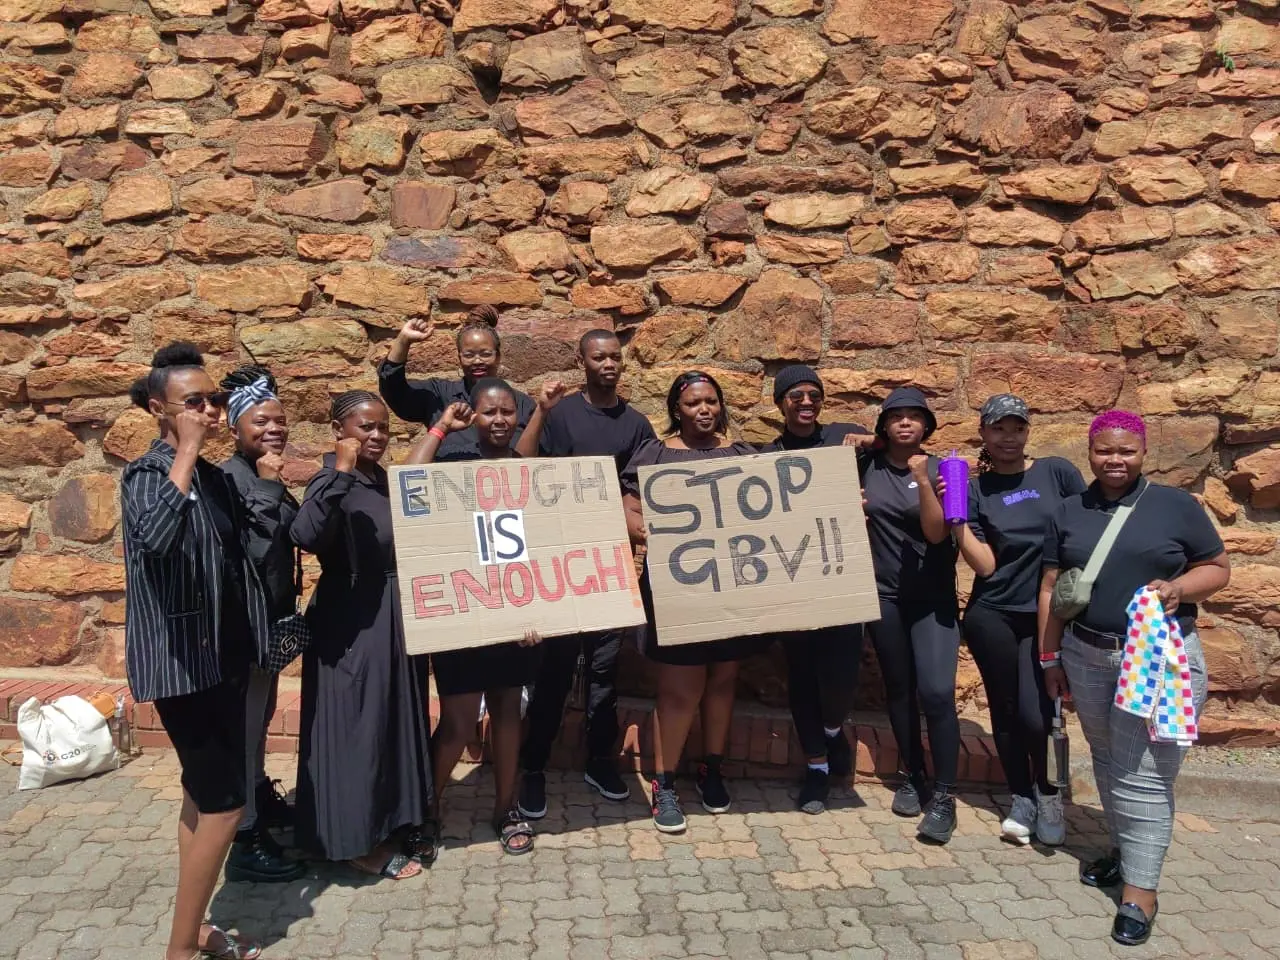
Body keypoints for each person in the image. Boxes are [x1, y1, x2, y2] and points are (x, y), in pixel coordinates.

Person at [1039, 410, 1229, 947]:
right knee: (1106, 758)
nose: (1115, 460)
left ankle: (1140, 893)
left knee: (1143, 774)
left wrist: (1179, 588)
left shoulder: (1175, 506)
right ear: (1090, 451)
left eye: (1126, 451)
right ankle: (1125, 853)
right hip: (1085, 654)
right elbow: (1052, 588)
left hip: (1157, 658)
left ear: (1143, 452)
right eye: (1104, 450)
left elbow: (1218, 567)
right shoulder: (1069, 510)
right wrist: (1050, 659)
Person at [121, 342, 269, 960]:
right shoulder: (146, 474)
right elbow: (155, 539)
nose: (209, 411)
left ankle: (196, 927)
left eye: (214, 400)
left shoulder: (213, 476)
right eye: (195, 403)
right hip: (182, 667)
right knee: (228, 806)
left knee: (200, 797)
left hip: (224, 659)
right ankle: (180, 949)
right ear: (159, 408)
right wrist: (184, 449)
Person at [512, 329, 657, 820]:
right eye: (599, 357)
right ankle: (534, 767)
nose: (608, 364)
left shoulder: (636, 425)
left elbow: (638, 492)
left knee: (603, 673)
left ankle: (600, 761)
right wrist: (541, 411)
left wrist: (635, 525)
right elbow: (522, 465)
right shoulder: (561, 415)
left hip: (609, 565)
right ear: (582, 362)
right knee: (552, 671)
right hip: (558, 562)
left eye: (615, 356)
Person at [290, 390, 435, 879]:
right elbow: (305, 535)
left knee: (389, 718)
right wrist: (341, 471)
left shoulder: (380, 478)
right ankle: (354, 843)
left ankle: (389, 820)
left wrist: (438, 432)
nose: (376, 436)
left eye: (383, 428)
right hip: (351, 615)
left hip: (391, 610)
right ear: (339, 430)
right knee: (357, 725)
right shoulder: (330, 478)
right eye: (365, 427)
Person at [405, 379, 545, 856]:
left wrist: (542, 612)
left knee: (508, 716)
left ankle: (506, 808)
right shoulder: (450, 469)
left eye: (508, 412)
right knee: (459, 721)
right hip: (462, 614)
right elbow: (407, 483)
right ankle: (427, 809)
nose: (500, 420)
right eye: (490, 412)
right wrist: (441, 428)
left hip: (517, 619)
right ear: (475, 418)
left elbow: (547, 548)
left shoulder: (531, 476)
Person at [620, 371, 759, 834]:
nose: (704, 410)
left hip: (731, 587)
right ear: (676, 410)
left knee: (722, 681)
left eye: (712, 402)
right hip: (675, 589)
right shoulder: (655, 454)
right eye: (694, 403)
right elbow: (628, 506)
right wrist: (641, 528)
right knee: (680, 690)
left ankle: (711, 769)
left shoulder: (742, 455)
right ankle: (664, 783)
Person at [952, 394, 1086, 847]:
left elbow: (1083, 529)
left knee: (1037, 715)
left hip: (1048, 615)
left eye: (1017, 427)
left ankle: (1049, 794)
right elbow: (985, 565)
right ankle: (1021, 797)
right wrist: (957, 520)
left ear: (1028, 430)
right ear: (983, 433)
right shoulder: (976, 489)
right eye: (998, 428)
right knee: (1005, 710)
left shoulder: (1056, 473)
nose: (1008, 437)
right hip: (993, 613)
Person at [759, 365, 873, 815]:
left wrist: (870, 442)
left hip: (842, 580)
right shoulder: (769, 455)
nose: (806, 403)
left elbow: (902, 442)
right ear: (780, 404)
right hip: (795, 583)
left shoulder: (843, 437)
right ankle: (817, 768)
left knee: (841, 677)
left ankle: (831, 731)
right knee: (802, 675)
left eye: (814, 395)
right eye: (796, 396)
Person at [217, 365, 307, 885]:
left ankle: (257, 796)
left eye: (279, 420)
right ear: (235, 428)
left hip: (270, 623)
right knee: (246, 724)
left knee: (262, 716)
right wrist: (271, 488)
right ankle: (244, 837)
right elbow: (247, 553)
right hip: (245, 629)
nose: (274, 429)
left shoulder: (258, 473)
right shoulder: (231, 479)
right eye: (261, 421)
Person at [861, 386, 961, 844]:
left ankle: (944, 794)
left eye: (914, 416)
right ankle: (913, 774)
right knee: (899, 689)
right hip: (885, 596)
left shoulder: (944, 470)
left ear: (926, 425)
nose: (905, 422)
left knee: (937, 693)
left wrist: (922, 480)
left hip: (933, 599)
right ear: (884, 424)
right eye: (896, 416)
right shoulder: (867, 465)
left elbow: (938, 535)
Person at [378, 305, 535, 459]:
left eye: (486, 354)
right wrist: (403, 341)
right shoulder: (439, 396)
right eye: (469, 355)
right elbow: (395, 392)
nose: (477, 361)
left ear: (498, 356)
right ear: (459, 358)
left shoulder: (523, 405)